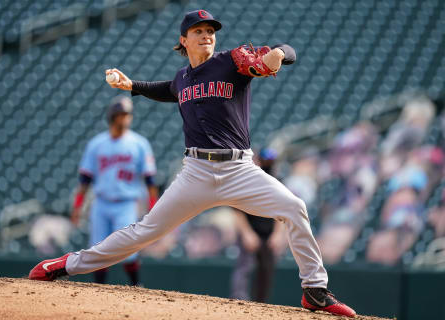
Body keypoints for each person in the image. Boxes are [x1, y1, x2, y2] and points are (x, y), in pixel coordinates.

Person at [29, 10, 356, 318]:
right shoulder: (182, 78)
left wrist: (280, 54)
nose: (206, 36)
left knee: (294, 207)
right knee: (144, 232)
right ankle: (66, 265)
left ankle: (314, 289)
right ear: (183, 40)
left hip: (238, 169)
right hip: (196, 172)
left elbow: (287, 51)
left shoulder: (231, 63)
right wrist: (132, 86)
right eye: (198, 31)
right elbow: (169, 90)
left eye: (210, 31)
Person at [69, 96, 158, 285]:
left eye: (128, 114)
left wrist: (153, 207)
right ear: (113, 116)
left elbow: (150, 180)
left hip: (126, 203)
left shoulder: (139, 143)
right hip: (101, 203)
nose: (126, 118)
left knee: (128, 249)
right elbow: (85, 179)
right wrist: (77, 207)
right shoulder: (97, 144)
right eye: (122, 114)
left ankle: (136, 286)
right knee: (97, 249)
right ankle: (100, 290)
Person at [230, 148, 286, 303]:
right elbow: (237, 210)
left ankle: (261, 305)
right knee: (244, 267)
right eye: (265, 160)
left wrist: (277, 235)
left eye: (271, 161)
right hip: (251, 230)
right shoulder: (248, 180)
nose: (268, 164)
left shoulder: (277, 180)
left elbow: (281, 211)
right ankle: (238, 301)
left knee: (266, 270)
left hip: (268, 233)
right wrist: (247, 233)